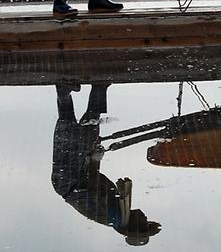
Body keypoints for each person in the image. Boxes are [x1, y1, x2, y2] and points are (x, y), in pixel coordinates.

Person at [51, 83, 161, 246]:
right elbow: (95, 183)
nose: (145, 216)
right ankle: (96, 88)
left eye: (144, 221)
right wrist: (93, 159)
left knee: (72, 129)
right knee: (89, 129)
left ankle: (74, 90)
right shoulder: (119, 214)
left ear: (136, 225)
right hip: (73, 179)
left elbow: (95, 186)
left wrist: (95, 160)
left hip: (68, 181)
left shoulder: (115, 216)